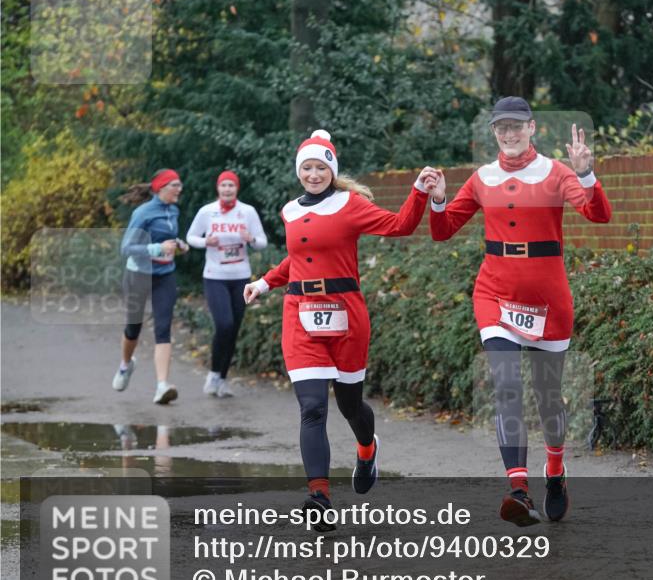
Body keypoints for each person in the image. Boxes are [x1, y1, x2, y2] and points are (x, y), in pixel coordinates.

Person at [427, 97, 612, 525]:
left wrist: (586, 172)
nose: (508, 135)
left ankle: (555, 468)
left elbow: (598, 215)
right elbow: (443, 231)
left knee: (548, 398)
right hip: (495, 294)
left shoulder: (555, 172)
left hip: (548, 301)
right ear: (494, 133)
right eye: (500, 128)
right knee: (506, 386)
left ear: (531, 128)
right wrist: (438, 201)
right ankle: (518, 488)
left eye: (516, 127)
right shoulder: (482, 178)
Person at [244, 130, 436, 531]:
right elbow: (298, 260)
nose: (313, 174)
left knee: (350, 406)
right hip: (300, 314)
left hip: (346, 315)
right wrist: (264, 282)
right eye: (307, 168)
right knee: (312, 408)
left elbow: (400, 225)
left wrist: (419, 191)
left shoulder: (351, 205)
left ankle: (367, 448)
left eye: (320, 167)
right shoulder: (290, 211)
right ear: (300, 172)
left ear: (332, 170)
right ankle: (319, 496)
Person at [186, 170, 268, 397]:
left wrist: (250, 239)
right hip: (215, 276)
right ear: (218, 188)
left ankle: (221, 379)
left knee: (234, 329)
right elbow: (191, 237)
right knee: (224, 324)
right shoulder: (207, 212)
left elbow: (262, 242)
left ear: (237, 188)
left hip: (241, 276)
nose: (227, 189)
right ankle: (213, 373)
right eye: (224, 186)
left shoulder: (247, 212)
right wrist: (206, 241)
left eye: (231, 185)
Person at [113, 168, 190, 404]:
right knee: (133, 326)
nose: (180, 189)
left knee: (163, 328)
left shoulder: (173, 210)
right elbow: (126, 248)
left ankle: (162, 386)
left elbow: (165, 238)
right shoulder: (143, 213)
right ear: (161, 188)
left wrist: (177, 244)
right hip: (139, 275)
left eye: (179, 184)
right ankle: (126, 365)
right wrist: (157, 249)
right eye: (174, 185)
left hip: (165, 275)